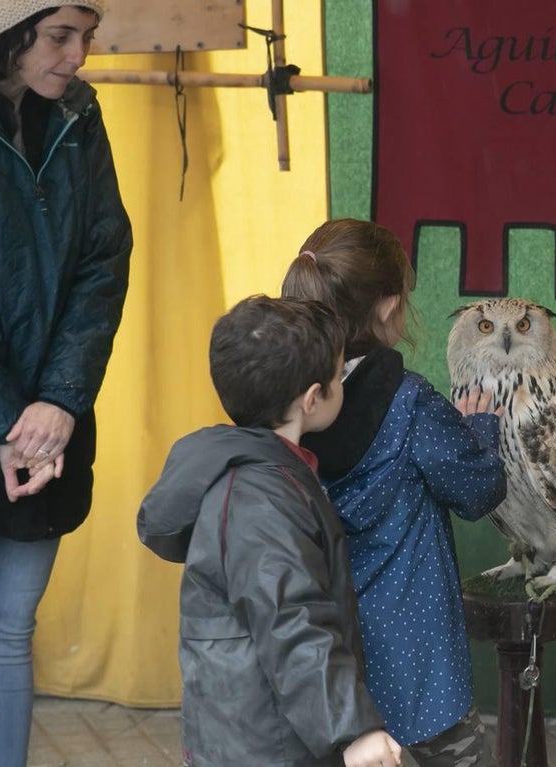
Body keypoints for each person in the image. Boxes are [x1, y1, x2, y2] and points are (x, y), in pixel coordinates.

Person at [137, 296, 403, 767]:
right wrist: (353, 729)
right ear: (312, 398)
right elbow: (292, 618)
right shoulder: (259, 498)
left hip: (260, 727)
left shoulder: (265, 473)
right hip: (265, 742)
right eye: (339, 376)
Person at [282, 219, 506, 767]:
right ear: (387, 308)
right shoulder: (410, 404)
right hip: (422, 682)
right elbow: (479, 490)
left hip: (326, 683)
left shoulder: (281, 407)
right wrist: (480, 431)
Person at [0, 3, 132, 765]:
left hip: (49, 424)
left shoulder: (79, 115)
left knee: (10, 628)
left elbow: (104, 262)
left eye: (87, 37)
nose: (78, 57)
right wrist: (14, 415)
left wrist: (60, 403)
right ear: (3, 29)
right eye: (59, 36)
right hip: (15, 421)